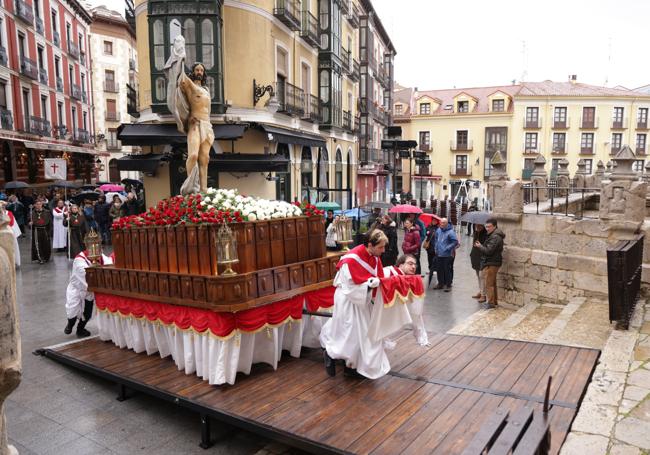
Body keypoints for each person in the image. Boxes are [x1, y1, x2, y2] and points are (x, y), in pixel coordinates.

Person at [320, 230, 389, 379]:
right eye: (381, 247)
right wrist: (369, 286)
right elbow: (348, 287)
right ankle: (330, 354)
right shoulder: (351, 259)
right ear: (370, 245)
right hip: (348, 300)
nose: (383, 251)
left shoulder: (375, 257)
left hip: (362, 299)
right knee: (349, 334)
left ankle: (351, 367)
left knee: (363, 335)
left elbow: (377, 278)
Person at [65, 248, 114, 337]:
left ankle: (80, 329)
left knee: (87, 313)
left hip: (89, 291)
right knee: (72, 311)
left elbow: (110, 264)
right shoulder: (79, 260)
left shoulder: (100, 256)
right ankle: (70, 324)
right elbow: (87, 277)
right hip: (77, 289)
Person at [474, 218, 505, 309]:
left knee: (489, 283)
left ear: (494, 226)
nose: (487, 228)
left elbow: (488, 251)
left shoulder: (495, 237)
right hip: (492, 261)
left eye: (489, 227)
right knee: (492, 283)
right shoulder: (492, 234)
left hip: (492, 262)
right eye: (486, 226)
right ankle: (493, 301)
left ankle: (491, 303)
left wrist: (480, 246)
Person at [433, 218, 458, 292]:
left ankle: (448, 285)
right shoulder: (438, 230)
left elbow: (455, 242)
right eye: (441, 222)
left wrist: (447, 248)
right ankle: (440, 283)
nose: (441, 224)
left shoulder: (451, 232)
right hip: (439, 254)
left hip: (447, 255)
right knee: (439, 269)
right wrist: (436, 248)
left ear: (447, 223)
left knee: (447, 270)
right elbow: (436, 239)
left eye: (443, 223)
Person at [470, 224, 488, 302]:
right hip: (475, 257)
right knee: (478, 275)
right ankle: (481, 292)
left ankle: (483, 295)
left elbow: (486, 247)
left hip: (482, 258)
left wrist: (480, 245)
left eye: (479, 226)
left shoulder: (486, 234)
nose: (477, 227)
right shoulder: (476, 232)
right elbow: (474, 244)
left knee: (482, 276)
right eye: (477, 225)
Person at [30, 200, 52, 264]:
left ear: (42, 205)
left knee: (46, 244)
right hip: (36, 230)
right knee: (38, 244)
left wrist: (50, 231)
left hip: (45, 230)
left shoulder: (47, 212)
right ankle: (40, 258)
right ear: (35, 205)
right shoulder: (32, 213)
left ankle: (46, 257)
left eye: (40, 204)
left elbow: (50, 223)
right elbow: (29, 221)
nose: (38, 205)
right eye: (37, 204)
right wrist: (30, 223)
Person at [423, 220, 438, 287]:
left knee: (434, 259)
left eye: (435, 221)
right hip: (429, 246)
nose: (433, 222)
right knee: (429, 258)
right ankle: (430, 269)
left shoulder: (438, 228)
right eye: (432, 221)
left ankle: (434, 269)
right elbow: (425, 234)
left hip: (434, 246)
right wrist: (427, 232)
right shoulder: (428, 227)